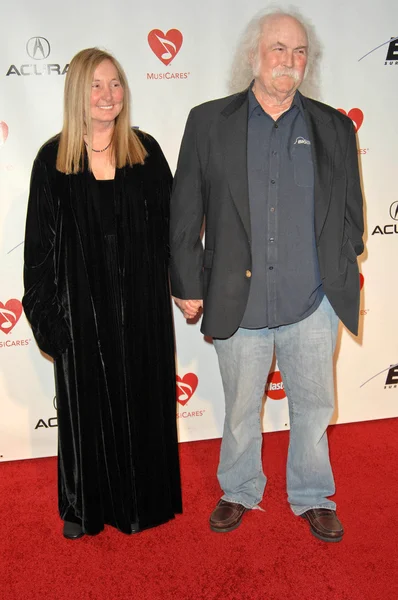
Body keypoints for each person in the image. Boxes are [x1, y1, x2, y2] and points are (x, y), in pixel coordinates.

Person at [170, 10, 364, 542]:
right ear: (254, 54)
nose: (290, 61)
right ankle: (239, 489)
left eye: (299, 51)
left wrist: (345, 263)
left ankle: (311, 494)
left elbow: (351, 213)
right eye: (279, 48)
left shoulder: (334, 127)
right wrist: (186, 282)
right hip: (239, 297)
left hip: (312, 301)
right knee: (239, 409)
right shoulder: (208, 122)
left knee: (315, 408)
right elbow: (186, 211)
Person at [23, 48, 182, 539]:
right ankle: (81, 507)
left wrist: (187, 287)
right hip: (82, 313)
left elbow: (172, 232)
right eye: (96, 85)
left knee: (143, 403)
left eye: (115, 84)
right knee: (84, 412)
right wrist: (53, 325)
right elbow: (38, 252)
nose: (108, 95)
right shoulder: (53, 160)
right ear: (77, 92)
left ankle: (144, 501)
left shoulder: (146, 151)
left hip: (142, 310)